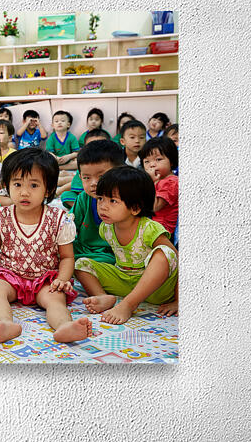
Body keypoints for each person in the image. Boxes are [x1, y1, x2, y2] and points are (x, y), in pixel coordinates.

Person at [0, 148, 91, 344]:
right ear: (6, 186)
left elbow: (66, 257)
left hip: (45, 280)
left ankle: (65, 326)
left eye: (33, 185)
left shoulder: (58, 219)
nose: (24, 192)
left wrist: (62, 280)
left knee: (55, 299)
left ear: (47, 189)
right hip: (10, 278)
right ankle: (6, 323)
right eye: (17, 184)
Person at [74, 166, 178, 324]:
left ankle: (129, 304)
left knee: (165, 253)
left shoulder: (149, 229)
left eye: (113, 201)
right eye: (100, 198)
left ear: (135, 208)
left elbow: (176, 260)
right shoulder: (106, 228)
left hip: (157, 289)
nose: (103, 206)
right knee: (81, 264)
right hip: (124, 280)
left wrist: (179, 300)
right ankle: (103, 297)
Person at [70, 140, 125, 265]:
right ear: (80, 177)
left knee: (107, 262)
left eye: (101, 176)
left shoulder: (125, 201)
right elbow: (70, 225)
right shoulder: (84, 198)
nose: (94, 183)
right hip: (81, 248)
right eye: (86, 178)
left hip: (109, 252)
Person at [140, 136, 179, 236]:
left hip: (163, 231)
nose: (152, 165)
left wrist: (151, 182)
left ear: (172, 162)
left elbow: (154, 207)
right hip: (153, 226)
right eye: (146, 161)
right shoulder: (158, 181)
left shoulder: (171, 182)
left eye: (158, 159)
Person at [46, 110, 81, 189]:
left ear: (68, 124)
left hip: (68, 161)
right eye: (56, 121)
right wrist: (56, 158)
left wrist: (68, 157)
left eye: (62, 121)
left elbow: (77, 152)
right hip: (56, 161)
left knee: (78, 161)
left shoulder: (72, 137)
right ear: (52, 125)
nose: (59, 123)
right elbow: (49, 153)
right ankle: (60, 168)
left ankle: (61, 169)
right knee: (46, 161)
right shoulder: (51, 138)